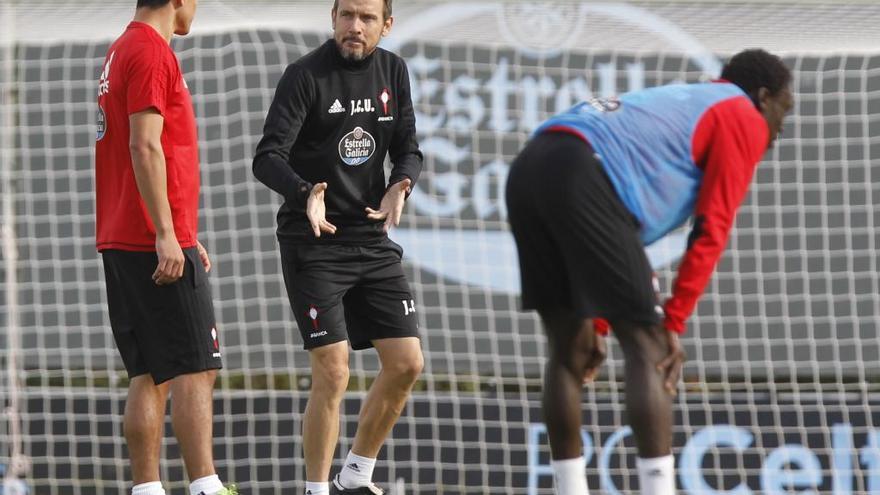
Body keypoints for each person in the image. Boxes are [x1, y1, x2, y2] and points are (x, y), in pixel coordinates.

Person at [505, 49, 793, 495]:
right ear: (763, 96)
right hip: (586, 172)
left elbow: (611, 250)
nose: (780, 128)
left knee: (570, 350)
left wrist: (598, 321)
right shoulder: (742, 114)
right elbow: (712, 228)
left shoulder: (685, 100)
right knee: (649, 348)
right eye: (783, 111)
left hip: (530, 167)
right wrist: (671, 323)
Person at [252, 0, 423, 493]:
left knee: (407, 362)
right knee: (335, 369)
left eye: (367, 18)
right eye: (347, 14)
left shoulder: (394, 71)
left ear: (386, 25)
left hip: (371, 239)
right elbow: (267, 157)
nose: (355, 26)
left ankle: (355, 475)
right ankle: (316, 488)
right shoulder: (304, 75)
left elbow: (408, 147)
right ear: (332, 19)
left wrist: (402, 183)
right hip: (315, 241)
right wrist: (307, 192)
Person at [94, 1, 235, 494]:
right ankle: (205, 486)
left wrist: (181, 232)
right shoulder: (152, 51)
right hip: (148, 238)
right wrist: (167, 234)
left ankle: (147, 489)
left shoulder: (120, 49)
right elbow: (145, 145)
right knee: (197, 366)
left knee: (149, 371)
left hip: (124, 235)